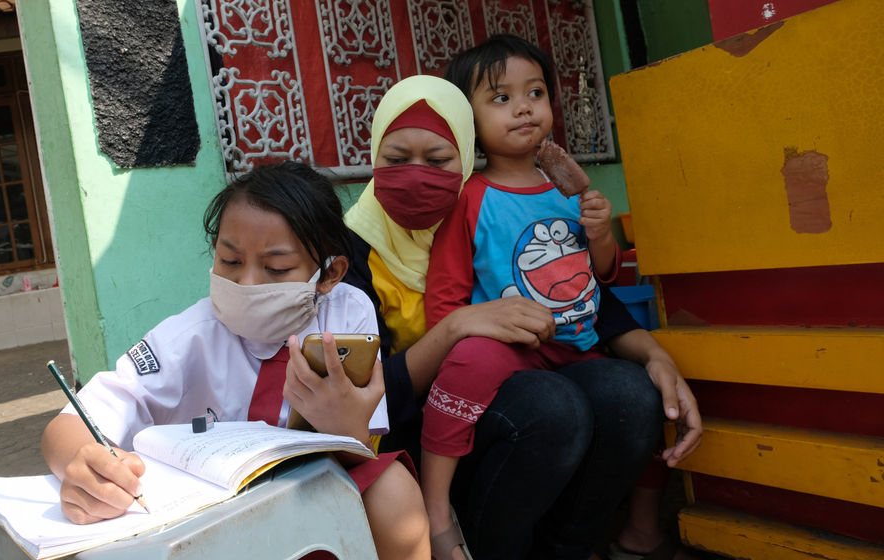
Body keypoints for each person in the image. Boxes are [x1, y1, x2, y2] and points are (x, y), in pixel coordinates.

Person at [345, 67, 700, 560]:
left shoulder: (488, 210)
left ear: (466, 156)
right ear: (373, 157)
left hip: (517, 370)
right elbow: (365, 397)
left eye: (440, 158)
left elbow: (581, 289)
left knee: (630, 394)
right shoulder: (351, 254)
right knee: (551, 407)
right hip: (411, 428)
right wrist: (456, 326)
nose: (418, 175)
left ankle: (569, 548)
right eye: (397, 158)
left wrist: (654, 353)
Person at [40, 162, 430, 560]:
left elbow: (357, 452)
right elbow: (69, 423)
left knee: (395, 492)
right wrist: (84, 462)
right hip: (210, 513)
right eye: (230, 262)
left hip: (318, 485)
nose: (247, 284)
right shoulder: (189, 335)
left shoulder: (347, 314)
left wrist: (347, 429)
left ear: (330, 274)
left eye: (276, 268)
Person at [420, 31, 625, 553]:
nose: (524, 109)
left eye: (535, 93)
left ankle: (574, 542)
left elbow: (600, 276)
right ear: (468, 121)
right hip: (510, 351)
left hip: (577, 346)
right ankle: (436, 505)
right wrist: (469, 332)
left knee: (630, 393)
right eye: (500, 98)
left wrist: (601, 234)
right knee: (469, 360)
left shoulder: (567, 189)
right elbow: (447, 298)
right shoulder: (469, 197)